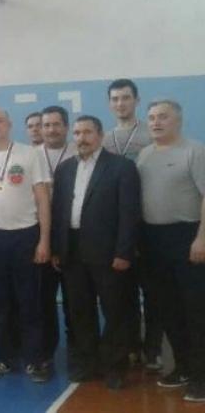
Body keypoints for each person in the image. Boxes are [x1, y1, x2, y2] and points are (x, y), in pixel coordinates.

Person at [51, 115, 141, 390]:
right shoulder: (65, 169)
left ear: (100, 135)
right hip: (72, 251)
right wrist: (58, 248)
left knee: (115, 311)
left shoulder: (121, 167)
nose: (82, 138)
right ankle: (88, 364)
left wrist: (124, 251)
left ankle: (115, 367)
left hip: (109, 252)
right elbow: (59, 211)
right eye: (77, 133)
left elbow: (130, 213)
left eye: (88, 132)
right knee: (80, 311)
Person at [0, 107, 51, 382]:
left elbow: (42, 198)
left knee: (29, 302)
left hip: (25, 235)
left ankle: (35, 360)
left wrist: (44, 240)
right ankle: (0, 358)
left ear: (9, 123)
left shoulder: (30, 154)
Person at [137, 99, 205, 403]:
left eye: (163, 117)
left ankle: (202, 377)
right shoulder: (144, 155)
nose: (156, 122)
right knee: (167, 309)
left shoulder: (194, 151)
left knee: (196, 310)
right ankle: (183, 368)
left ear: (178, 120)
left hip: (188, 237)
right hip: (153, 240)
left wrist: (201, 239)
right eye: (151, 117)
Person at [102, 78, 160, 372]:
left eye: (125, 98)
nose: (120, 103)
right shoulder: (105, 140)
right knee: (122, 293)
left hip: (149, 223)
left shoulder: (152, 134)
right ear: (109, 104)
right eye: (115, 99)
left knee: (153, 291)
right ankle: (130, 345)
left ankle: (153, 348)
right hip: (116, 227)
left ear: (136, 101)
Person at [37, 105, 77, 369]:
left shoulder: (78, 153)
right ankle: (46, 351)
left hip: (72, 236)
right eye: (46, 125)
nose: (51, 129)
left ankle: (78, 347)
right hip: (40, 235)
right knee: (43, 299)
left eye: (56, 124)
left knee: (76, 297)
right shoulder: (32, 156)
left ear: (66, 127)